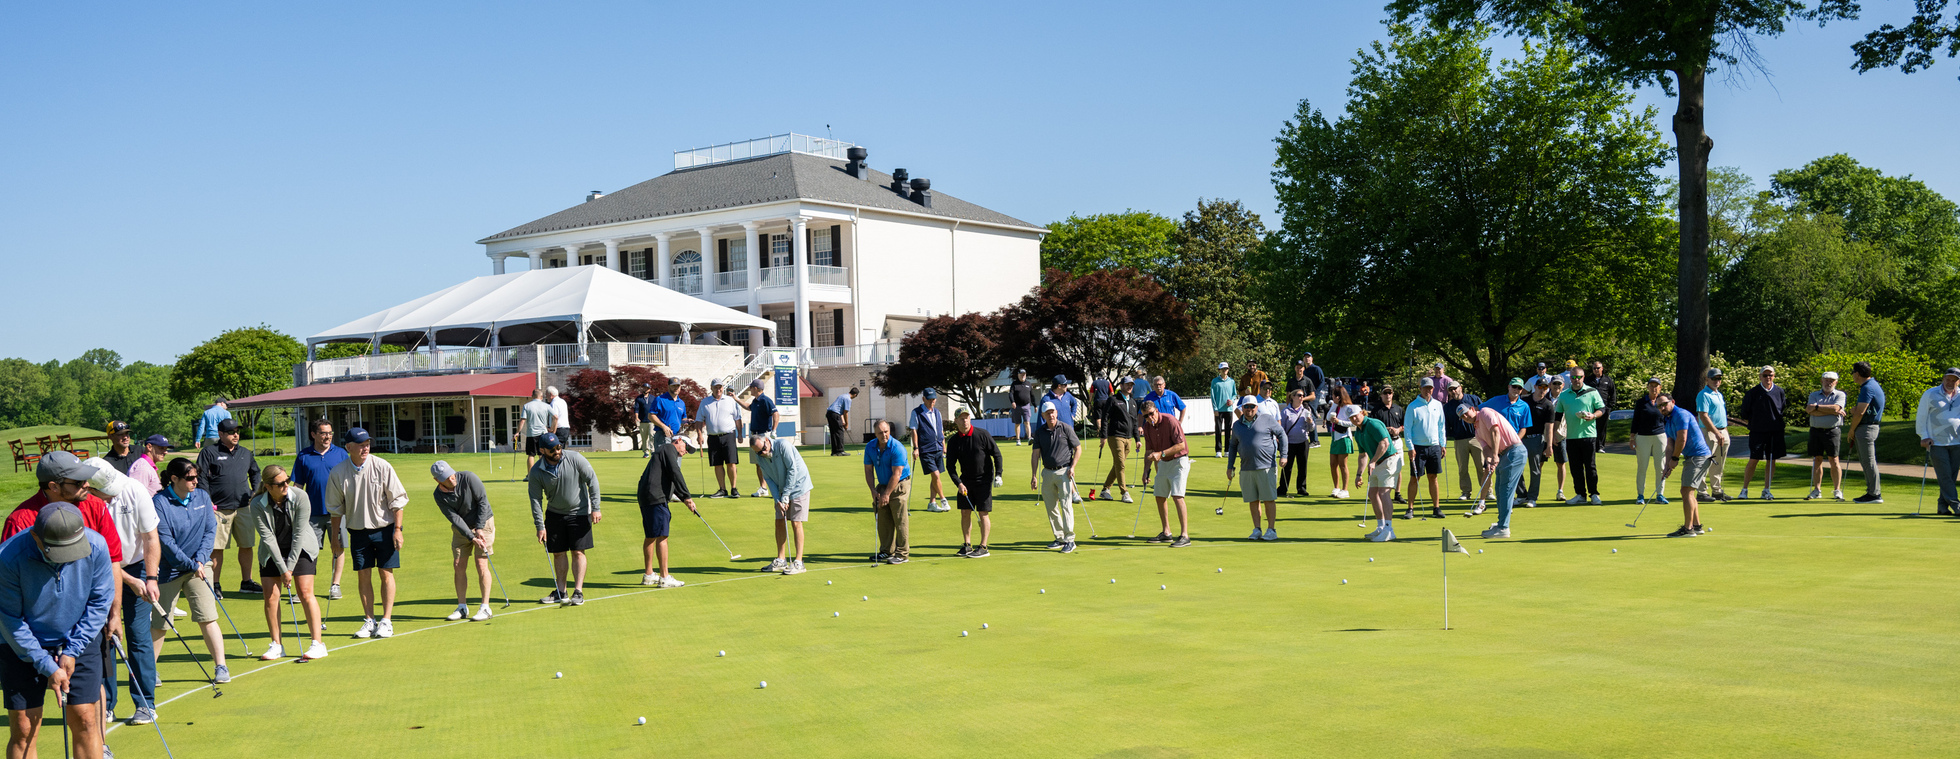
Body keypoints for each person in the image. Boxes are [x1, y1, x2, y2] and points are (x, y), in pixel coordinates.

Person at [0, 502, 114, 759]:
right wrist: (46, 665)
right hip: (22, 643)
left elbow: (99, 603)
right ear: (36, 537)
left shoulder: (96, 546)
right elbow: (10, 619)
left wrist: (73, 650)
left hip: (79, 638)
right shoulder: (8, 557)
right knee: (24, 726)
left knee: (86, 719)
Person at [85, 457, 159, 727]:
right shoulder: (83, 503)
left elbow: (151, 537)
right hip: (101, 572)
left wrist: (150, 578)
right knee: (106, 639)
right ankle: (106, 704)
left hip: (138, 566)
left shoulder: (134, 489)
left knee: (138, 636)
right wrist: (127, 580)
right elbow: (100, 556)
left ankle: (145, 703)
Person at [323, 427, 409, 640]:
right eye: (361, 445)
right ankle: (369, 620)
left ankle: (386, 620)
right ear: (348, 447)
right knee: (363, 574)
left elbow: (397, 501)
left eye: (367, 444)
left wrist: (398, 530)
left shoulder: (382, 465)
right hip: (357, 532)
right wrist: (335, 537)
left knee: (386, 573)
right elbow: (335, 509)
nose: (365, 448)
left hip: (385, 529)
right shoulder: (338, 472)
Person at [150, 457, 226, 685]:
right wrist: (192, 564)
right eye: (190, 478)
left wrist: (201, 560)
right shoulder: (159, 502)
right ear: (174, 479)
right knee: (160, 624)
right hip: (167, 571)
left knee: (208, 617)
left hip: (199, 567)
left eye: (197, 477)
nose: (195, 481)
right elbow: (166, 542)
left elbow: (209, 529)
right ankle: (149, 671)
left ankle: (220, 665)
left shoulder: (202, 496)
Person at [248, 464, 327, 660]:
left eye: (287, 480)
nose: (286, 485)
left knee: (305, 592)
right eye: (280, 483)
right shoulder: (257, 503)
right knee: (271, 596)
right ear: (268, 486)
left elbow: (299, 535)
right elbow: (268, 539)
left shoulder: (300, 496)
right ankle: (276, 645)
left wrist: (289, 568)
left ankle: (317, 643)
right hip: (271, 551)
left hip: (302, 549)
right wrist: (283, 570)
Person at [527, 434, 600, 606]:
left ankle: (578, 592)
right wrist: (540, 526)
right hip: (555, 514)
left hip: (579, 513)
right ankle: (561, 591)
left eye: (559, 447)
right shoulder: (537, 471)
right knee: (558, 553)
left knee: (578, 551)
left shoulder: (574, 458)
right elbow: (535, 500)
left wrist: (595, 507)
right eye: (552, 450)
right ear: (542, 451)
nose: (557, 451)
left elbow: (592, 480)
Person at [196, 418, 260, 595]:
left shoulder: (245, 453)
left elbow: (255, 472)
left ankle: (246, 582)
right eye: (231, 432)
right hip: (218, 508)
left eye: (237, 432)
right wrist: (207, 499)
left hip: (243, 506)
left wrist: (255, 491)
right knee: (217, 548)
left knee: (247, 545)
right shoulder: (209, 452)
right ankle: (215, 585)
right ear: (221, 434)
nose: (236, 435)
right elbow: (201, 478)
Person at [292, 418, 350, 603]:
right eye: (324, 433)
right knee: (308, 551)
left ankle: (335, 585)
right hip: (311, 512)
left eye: (330, 433)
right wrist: (292, 509)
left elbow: (350, 482)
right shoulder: (304, 456)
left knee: (338, 547)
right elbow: (298, 485)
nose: (328, 437)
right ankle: (305, 589)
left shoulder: (341, 454)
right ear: (313, 434)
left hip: (337, 512)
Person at [429, 461, 494, 622]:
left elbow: (483, 502)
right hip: (462, 527)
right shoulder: (438, 495)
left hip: (483, 521)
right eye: (446, 477)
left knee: (481, 564)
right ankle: (462, 607)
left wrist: (479, 529)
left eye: (451, 474)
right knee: (458, 565)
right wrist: (471, 537)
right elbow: (454, 518)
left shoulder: (468, 477)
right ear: (437, 480)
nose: (451, 478)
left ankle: (485, 607)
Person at [636, 436, 697, 588]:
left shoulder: (663, 453)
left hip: (647, 496)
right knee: (662, 536)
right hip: (656, 497)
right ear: (679, 441)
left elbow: (672, 479)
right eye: (686, 447)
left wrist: (685, 500)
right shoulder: (668, 448)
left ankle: (649, 575)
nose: (686, 452)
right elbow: (676, 473)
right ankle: (664, 577)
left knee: (651, 535)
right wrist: (688, 497)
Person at [1226, 396, 1287, 541]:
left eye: (1252, 406)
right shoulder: (1237, 425)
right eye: (1246, 407)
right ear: (1242, 408)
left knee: (1268, 499)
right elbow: (1233, 446)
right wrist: (1230, 466)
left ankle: (1271, 530)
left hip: (1266, 466)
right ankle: (1257, 529)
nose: (1249, 409)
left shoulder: (1266, 419)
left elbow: (1282, 434)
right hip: (1246, 467)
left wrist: (1284, 455)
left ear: (1257, 407)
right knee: (1253, 500)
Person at [1464, 403, 1528, 540]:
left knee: (1505, 490)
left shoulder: (1485, 413)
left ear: (1472, 409)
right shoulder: (1477, 430)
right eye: (1462, 417)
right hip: (1505, 454)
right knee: (1499, 489)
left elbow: (1495, 431)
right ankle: (1501, 523)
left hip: (1514, 451)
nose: (1465, 417)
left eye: (1465, 413)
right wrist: (1489, 459)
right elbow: (1486, 448)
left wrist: (1494, 455)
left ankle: (1503, 528)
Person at [946, 409, 1003, 558]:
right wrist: (958, 483)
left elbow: (996, 454)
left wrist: (998, 475)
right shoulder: (953, 441)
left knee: (983, 513)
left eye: (967, 417)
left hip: (984, 480)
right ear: (956, 421)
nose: (964, 421)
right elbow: (950, 466)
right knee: (965, 512)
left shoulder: (982, 434)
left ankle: (983, 546)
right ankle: (967, 545)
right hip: (965, 482)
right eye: (961, 418)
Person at [750, 436, 811, 574]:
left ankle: (799, 562)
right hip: (781, 490)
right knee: (779, 521)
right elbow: (768, 479)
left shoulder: (783, 446)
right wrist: (777, 499)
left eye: (764, 449)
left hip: (799, 485)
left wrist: (785, 495)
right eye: (759, 452)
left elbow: (792, 470)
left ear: (766, 440)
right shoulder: (760, 457)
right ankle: (781, 560)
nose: (763, 453)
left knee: (796, 522)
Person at [1657, 393, 1713, 538]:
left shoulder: (1680, 414)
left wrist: (1675, 459)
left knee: (1686, 491)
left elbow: (1682, 439)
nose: (1662, 408)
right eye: (1659, 406)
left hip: (1698, 456)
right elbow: (1670, 444)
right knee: (1689, 491)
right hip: (1693, 457)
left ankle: (1688, 529)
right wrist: (1667, 465)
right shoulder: (1668, 419)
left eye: (1664, 404)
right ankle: (1696, 525)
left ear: (1672, 402)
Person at [1029, 403, 1082, 553]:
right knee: (1051, 507)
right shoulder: (1039, 432)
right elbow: (1035, 454)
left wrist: (1073, 467)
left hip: (1064, 471)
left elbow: (1078, 448)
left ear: (1056, 413)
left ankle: (1070, 539)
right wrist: (1033, 475)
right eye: (1047, 413)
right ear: (1043, 416)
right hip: (1047, 473)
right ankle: (1059, 537)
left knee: (1066, 505)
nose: (1051, 415)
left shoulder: (1065, 428)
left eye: (1052, 412)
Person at [1139, 402, 1192, 546]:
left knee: (1177, 496)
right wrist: (1146, 471)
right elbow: (1149, 452)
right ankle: (1166, 532)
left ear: (1156, 411)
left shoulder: (1170, 421)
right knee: (1160, 496)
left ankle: (1184, 535)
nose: (1150, 417)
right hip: (1163, 463)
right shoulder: (1147, 427)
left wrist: (1161, 453)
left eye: (1151, 413)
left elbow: (1181, 445)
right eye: (1146, 416)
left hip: (1179, 461)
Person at [1734, 366, 1789, 500]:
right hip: (1757, 431)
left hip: (1775, 431)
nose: (1768, 378)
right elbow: (1745, 412)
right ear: (1760, 376)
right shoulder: (1753, 392)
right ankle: (1744, 489)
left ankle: (1766, 489)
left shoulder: (1779, 391)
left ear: (1774, 376)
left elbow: (1782, 408)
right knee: (1754, 459)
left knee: (1771, 460)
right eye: (1765, 375)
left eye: (1770, 375)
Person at [863, 421, 912, 564]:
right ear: (875, 434)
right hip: (883, 484)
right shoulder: (870, 446)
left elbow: (897, 474)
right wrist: (873, 490)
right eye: (880, 433)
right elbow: (868, 470)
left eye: (886, 431)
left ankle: (902, 554)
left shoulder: (897, 448)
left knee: (899, 518)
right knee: (882, 517)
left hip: (900, 484)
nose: (884, 435)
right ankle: (886, 551)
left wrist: (886, 494)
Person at [1353, 403, 1400, 541]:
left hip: (1389, 460)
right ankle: (1381, 527)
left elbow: (1384, 443)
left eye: (1355, 416)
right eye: (1351, 418)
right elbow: (1362, 455)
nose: (1354, 419)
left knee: (1383, 492)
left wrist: (1373, 461)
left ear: (1362, 413)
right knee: (1372, 493)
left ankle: (1389, 529)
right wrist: (1358, 474)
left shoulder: (1374, 424)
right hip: (1377, 462)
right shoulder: (1358, 432)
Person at [1916, 367, 1960, 516]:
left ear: (1958, 382)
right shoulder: (1930, 394)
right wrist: (1923, 436)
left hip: (1957, 442)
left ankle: (1942, 506)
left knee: (1951, 476)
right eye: (1948, 379)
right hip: (1935, 442)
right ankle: (1956, 504)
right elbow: (1921, 416)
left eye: (1954, 380)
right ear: (1943, 379)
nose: (1950, 382)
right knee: (1945, 475)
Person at [1557, 374, 1606, 504]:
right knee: (1575, 467)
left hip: (1588, 435)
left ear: (1583, 377)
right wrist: (1556, 433)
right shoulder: (1564, 394)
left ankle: (1594, 494)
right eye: (1573, 377)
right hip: (1571, 436)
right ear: (1570, 379)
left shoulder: (1592, 391)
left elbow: (1602, 409)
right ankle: (1580, 495)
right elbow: (1557, 415)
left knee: (1590, 466)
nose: (1576, 379)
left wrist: (1593, 415)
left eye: (1579, 377)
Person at [1404, 378, 1447, 519]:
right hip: (1418, 447)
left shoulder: (1438, 405)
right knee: (1415, 477)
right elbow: (1408, 429)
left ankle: (1436, 508)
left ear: (1433, 389)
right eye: (1425, 388)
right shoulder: (1413, 406)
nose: (1428, 390)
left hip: (1434, 446)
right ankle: (1410, 509)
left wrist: (1443, 444)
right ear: (1420, 389)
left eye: (1430, 388)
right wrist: (1410, 447)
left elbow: (1441, 426)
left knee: (1433, 477)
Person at [694, 379, 744, 498]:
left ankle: (733, 488)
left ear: (723, 388)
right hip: (713, 437)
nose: (718, 389)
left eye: (720, 387)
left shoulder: (730, 401)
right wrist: (699, 435)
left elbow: (738, 419)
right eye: (716, 387)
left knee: (731, 463)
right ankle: (722, 489)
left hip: (729, 435)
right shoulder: (705, 402)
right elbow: (699, 420)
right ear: (711, 388)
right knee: (717, 464)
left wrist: (740, 434)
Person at [1806, 371, 1849, 501]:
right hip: (1816, 431)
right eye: (1826, 380)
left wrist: (1817, 408)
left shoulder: (1840, 394)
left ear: (1836, 382)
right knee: (1817, 460)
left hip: (1832, 431)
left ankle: (1837, 490)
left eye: (1831, 380)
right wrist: (1829, 411)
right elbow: (1809, 410)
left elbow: (1836, 408)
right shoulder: (1814, 395)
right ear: (1821, 381)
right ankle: (1817, 490)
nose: (1828, 382)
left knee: (1834, 460)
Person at [1847, 361, 1886, 504]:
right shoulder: (1872, 385)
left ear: (1857, 374)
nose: (1852, 376)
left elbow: (1860, 412)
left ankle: (1874, 494)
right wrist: (1855, 410)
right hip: (1869, 426)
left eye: (1853, 373)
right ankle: (1872, 492)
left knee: (1868, 461)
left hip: (1867, 428)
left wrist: (1851, 429)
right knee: (1866, 461)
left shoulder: (1867, 387)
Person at [736, 379, 781, 499]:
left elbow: (775, 414)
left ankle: (778, 488)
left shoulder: (765, 400)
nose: (750, 389)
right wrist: (736, 399)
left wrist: (774, 430)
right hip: (754, 435)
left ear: (756, 388)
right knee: (758, 463)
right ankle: (763, 488)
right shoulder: (755, 401)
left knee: (770, 463)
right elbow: (748, 407)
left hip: (763, 435)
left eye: (751, 387)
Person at [1518, 377, 1558, 510]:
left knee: (1535, 469)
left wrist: (1549, 446)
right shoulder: (1524, 401)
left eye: (1545, 388)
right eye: (1540, 387)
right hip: (1520, 438)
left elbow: (1549, 427)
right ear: (1534, 387)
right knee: (1517, 467)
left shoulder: (1548, 404)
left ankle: (1532, 497)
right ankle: (1521, 495)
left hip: (1536, 439)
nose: (1543, 390)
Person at [1141, 376, 1188, 487]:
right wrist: (1140, 426)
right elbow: (1149, 452)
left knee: (1167, 455)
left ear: (1164, 384)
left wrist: (1179, 422)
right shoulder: (1149, 397)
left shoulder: (1172, 395)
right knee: (1157, 458)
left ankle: (1166, 481)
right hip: (1155, 429)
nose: (1158, 387)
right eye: (1156, 385)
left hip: (1170, 430)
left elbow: (1183, 408)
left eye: (1160, 384)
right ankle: (1160, 480)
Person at [1630, 377, 1670, 506]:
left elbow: (1668, 419)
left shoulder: (1663, 402)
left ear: (1660, 387)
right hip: (1642, 437)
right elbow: (1635, 421)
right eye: (1651, 385)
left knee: (1661, 467)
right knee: (1642, 467)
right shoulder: (1641, 403)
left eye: (1656, 386)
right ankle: (1640, 495)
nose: (1654, 388)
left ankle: (1660, 495)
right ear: (1647, 387)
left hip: (1660, 436)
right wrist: (1632, 438)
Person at [1096, 380, 1137, 503]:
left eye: (1131, 385)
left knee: (1118, 465)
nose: (1129, 386)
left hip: (1128, 437)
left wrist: (1138, 439)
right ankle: (1124, 492)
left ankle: (1105, 490)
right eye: (1127, 384)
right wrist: (1103, 436)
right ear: (1121, 386)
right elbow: (1104, 418)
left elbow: (1135, 422)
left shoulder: (1133, 402)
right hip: (1115, 436)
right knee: (1121, 464)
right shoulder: (1113, 400)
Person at [909, 389, 950, 512]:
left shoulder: (937, 412)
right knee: (936, 475)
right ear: (923, 399)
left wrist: (943, 445)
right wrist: (916, 448)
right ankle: (943, 500)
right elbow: (913, 430)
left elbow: (940, 430)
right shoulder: (916, 412)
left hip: (938, 448)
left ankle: (932, 503)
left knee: (935, 477)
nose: (932, 401)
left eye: (934, 399)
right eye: (929, 399)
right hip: (925, 449)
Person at [1696, 368, 1733, 502]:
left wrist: (1723, 431)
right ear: (1707, 379)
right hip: (1709, 432)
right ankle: (1701, 492)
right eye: (1714, 378)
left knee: (1719, 462)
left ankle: (1716, 490)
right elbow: (1704, 416)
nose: (1717, 381)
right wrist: (1717, 433)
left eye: (1719, 378)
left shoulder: (1719, 394)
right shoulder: (1703, 394)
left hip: (1722, 431)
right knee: (1706, 461)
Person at [1443, 384, 1484, 501]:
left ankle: (1487, 491)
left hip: (1476, 437)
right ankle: (1466, 492)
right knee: (1462, 468)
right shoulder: (1448, 407)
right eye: (1450, 390)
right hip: (1459, 440)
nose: (1453, 391)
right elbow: (1446, 426)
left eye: (1455, 388)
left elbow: (1481, 415)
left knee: (1481, 466)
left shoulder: (1474, 399)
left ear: (1460, 387)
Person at [1326, 385, 1361, 499]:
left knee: (1342, 465)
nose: (1332, 397)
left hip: (1344, 437)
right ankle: (1336, 487)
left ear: (1339, 396)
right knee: (1332, 464)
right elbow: (1327, 417)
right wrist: (1335, 404)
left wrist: (1339, 421)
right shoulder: (1335, 406)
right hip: (1335, 437)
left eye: (1334, 395)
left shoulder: (1349, 408)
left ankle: (1345, 490)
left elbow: (1353, 423)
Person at [1277, 389, 1313, 498]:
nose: (1302, 397)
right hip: (1289, 443)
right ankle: (1283, 488)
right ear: (1292, 397)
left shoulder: (1306, 411)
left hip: (1303, 442)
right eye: (1299, 395)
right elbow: (1281, 429)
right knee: (1287, 467)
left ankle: (1301, 488)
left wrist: (1310, 423)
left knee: (1302, 466)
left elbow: (1311, 429)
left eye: (1303, 395)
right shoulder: (1285, 412)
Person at [1374, 386, 1405, 504]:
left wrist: (1398, 429)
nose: (1388, 395)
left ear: (1392, 394)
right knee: (1382, 467)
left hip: (1396, 441)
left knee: (1398, 467)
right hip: (1383, 442)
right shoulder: (1377, 410)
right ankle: (1382, 493)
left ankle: (1397, 493)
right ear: (1381, 395)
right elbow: (1374, 427)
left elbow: (1404, 425)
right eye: (1385, 393)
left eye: (1390, 393)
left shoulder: (1398, 409)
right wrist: (1386, 429)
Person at [1545, 376, 1571, 500]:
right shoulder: (1543, 396)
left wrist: (1556, 434)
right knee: (1539, 463)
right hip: (1544, 435)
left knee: (1561, 463)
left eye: (1559, 384)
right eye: (1554, 383)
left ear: (1563, 385)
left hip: (1560, 435)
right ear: (1550, 385)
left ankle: (1560, 491)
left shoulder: (1566, 397)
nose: (1557, 386)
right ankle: (1533, 493)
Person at [1586, 360, 1618, 454]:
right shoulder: (1588, 380)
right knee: (1590, 427)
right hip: (1590, 408)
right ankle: (1591, 446)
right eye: (1594, 368)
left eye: (1598, 368)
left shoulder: (1607, 380)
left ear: (1602, 368)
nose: (1596, 370)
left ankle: (1600, 447)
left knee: (1602, 428)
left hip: (1603, 409)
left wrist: (1609, 407)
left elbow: (1612, 394)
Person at [127, 435, 170, 499]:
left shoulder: (147, 466)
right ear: (149, 447)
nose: (165, 452)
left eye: (166, 449)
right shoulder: (142, 468)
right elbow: (135, 497)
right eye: (161, 448)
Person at [520, 389, 553, 470]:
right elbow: (555, 417)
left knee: (531, 455)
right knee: (542, 454)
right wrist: (552, 429)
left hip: (531, 434)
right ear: (541, 397)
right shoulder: (546, 406)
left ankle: (530, 475)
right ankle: (543, 473)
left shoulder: (527, 405)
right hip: (543, 433)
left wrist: (518, 432)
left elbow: (522, 420)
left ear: (532, 396)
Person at [1209, 362, 1238, 457]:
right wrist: (1215, 409)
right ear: (1219, 370)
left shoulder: (1231, 381)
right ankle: (1218, 450)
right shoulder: (1215, 381)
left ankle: (1227, 450)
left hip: (1228, 409)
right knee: (1218, 430)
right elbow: (1213, 396)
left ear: (1228, 370)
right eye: (1223, 369)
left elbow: (1234, 394)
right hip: (1218, 409)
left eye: (1226, 369)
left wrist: (1232, 401)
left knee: (1228, 429)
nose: (1225, 370)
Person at [651, 382, 689, 452]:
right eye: (673, 386)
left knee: (676, 462)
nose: (676, 388)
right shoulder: (660, 399)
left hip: (677, 436)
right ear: (668, 387)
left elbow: (683, 418)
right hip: (663, 435)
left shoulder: (681, 403)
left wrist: (686, 422)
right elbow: (651, 416)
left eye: (678, 386)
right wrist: (664, 426)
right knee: (664, 461)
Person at [826, 387, 859, 456]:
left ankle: (834, 452)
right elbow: (845, 413)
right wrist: (847, 424)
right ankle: (840, 451)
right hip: (835, 414)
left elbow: (840, 410)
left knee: (834, 432)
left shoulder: (842, 396)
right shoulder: (848, 399)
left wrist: (843, 421)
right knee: (839, 432)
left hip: (829, 414)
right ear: (855, 394)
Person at [1008, 370, 1035, 446]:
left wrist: (1035, 405)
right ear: (1018, 375)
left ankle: (1029, 438)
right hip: (1016, 406)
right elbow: (1011, 394)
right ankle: (1018, 440)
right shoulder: (1014, 384)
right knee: (1017, 423)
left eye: (1024, 374)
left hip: (1026, 405)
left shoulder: (1028, 384)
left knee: (1027, 422)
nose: (1023, 376)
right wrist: (1012, 402)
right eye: (1021, 374)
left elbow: (1032, 395)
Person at [633, 384, 658, 458]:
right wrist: (637, 418)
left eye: (647, 388)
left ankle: (653, 451)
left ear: (649, 389)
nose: (646, 389)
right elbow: (636, 409)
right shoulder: (638, 398)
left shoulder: (653, 398)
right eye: (644, 388)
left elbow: (656, 409)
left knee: (652, 436)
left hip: (651, 421)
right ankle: (646, 452)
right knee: (644, 438)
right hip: (642, 421)